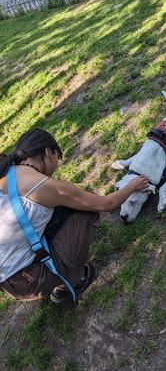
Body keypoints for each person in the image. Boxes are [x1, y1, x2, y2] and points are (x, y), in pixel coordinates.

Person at [0, 128, 148, 304]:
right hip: (30, 281)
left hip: (9, 281)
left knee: (59, 212)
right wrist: (133, 185)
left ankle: (57, 276)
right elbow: (106, 204)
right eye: (57, 157)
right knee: (85, 212)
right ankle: (71, 282)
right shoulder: (45, 186)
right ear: (48, 152)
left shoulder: (5, 171)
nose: (56, 164)